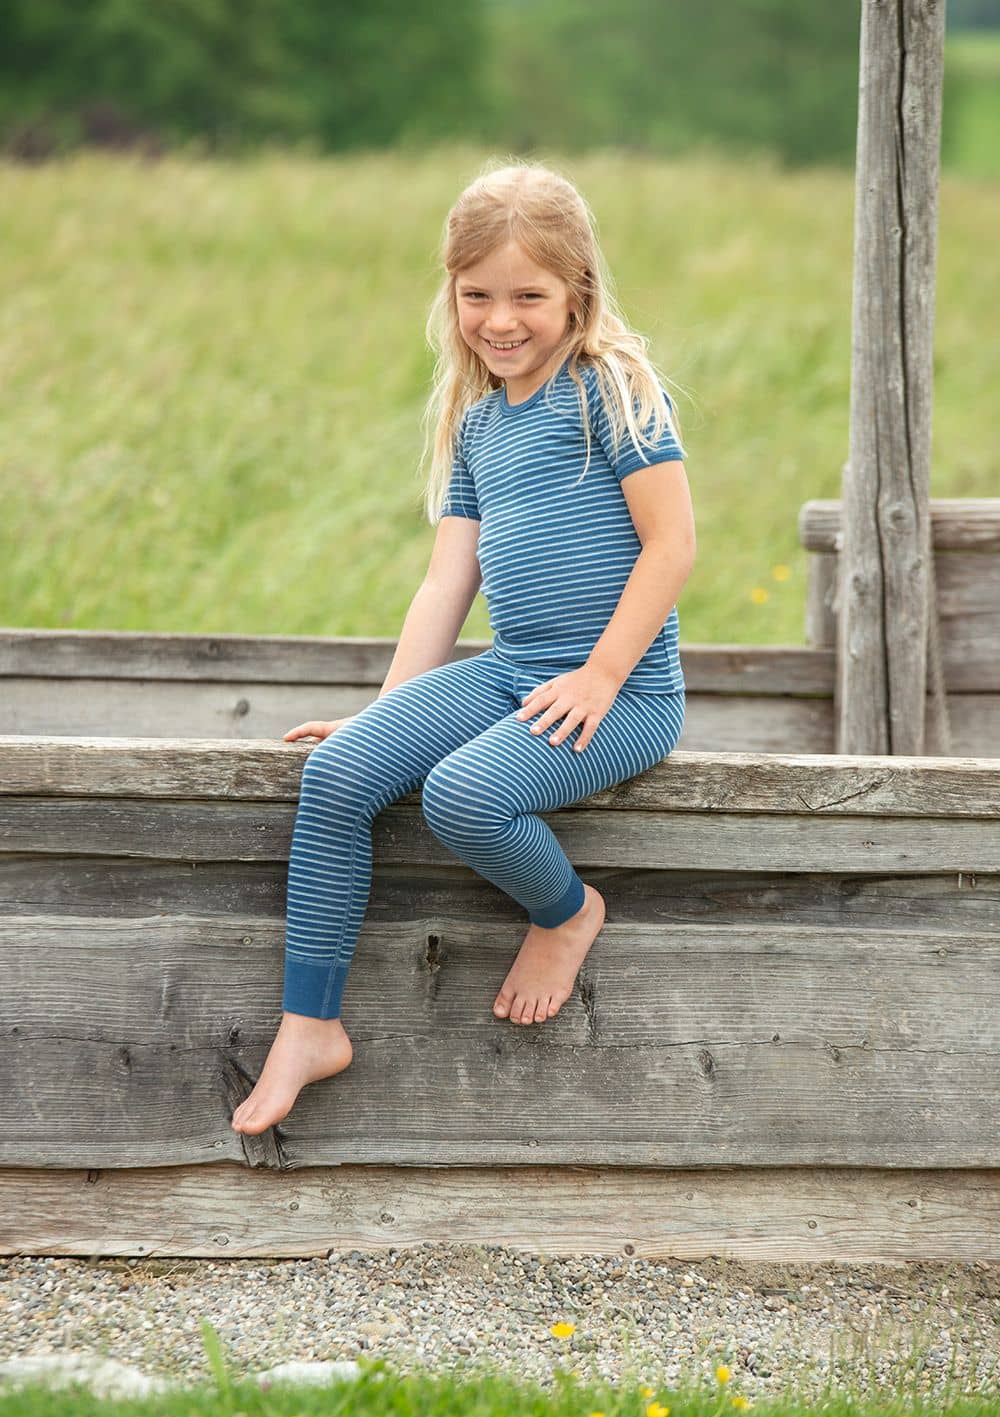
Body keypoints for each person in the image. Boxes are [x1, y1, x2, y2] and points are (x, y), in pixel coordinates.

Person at [231, 159, 697, 1137]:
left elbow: (672, 544)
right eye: (477, 294)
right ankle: (309, 1023)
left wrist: (605, 673)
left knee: (463, 795)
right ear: (451, 293)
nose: (500, 318)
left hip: (622, 693)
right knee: (340, 775)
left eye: (528, 295)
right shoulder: (479, 423)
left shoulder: (613, 391)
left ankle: (566, 913)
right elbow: (448, 582)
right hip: (513, 669)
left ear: (577, 291)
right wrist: (388, 710)